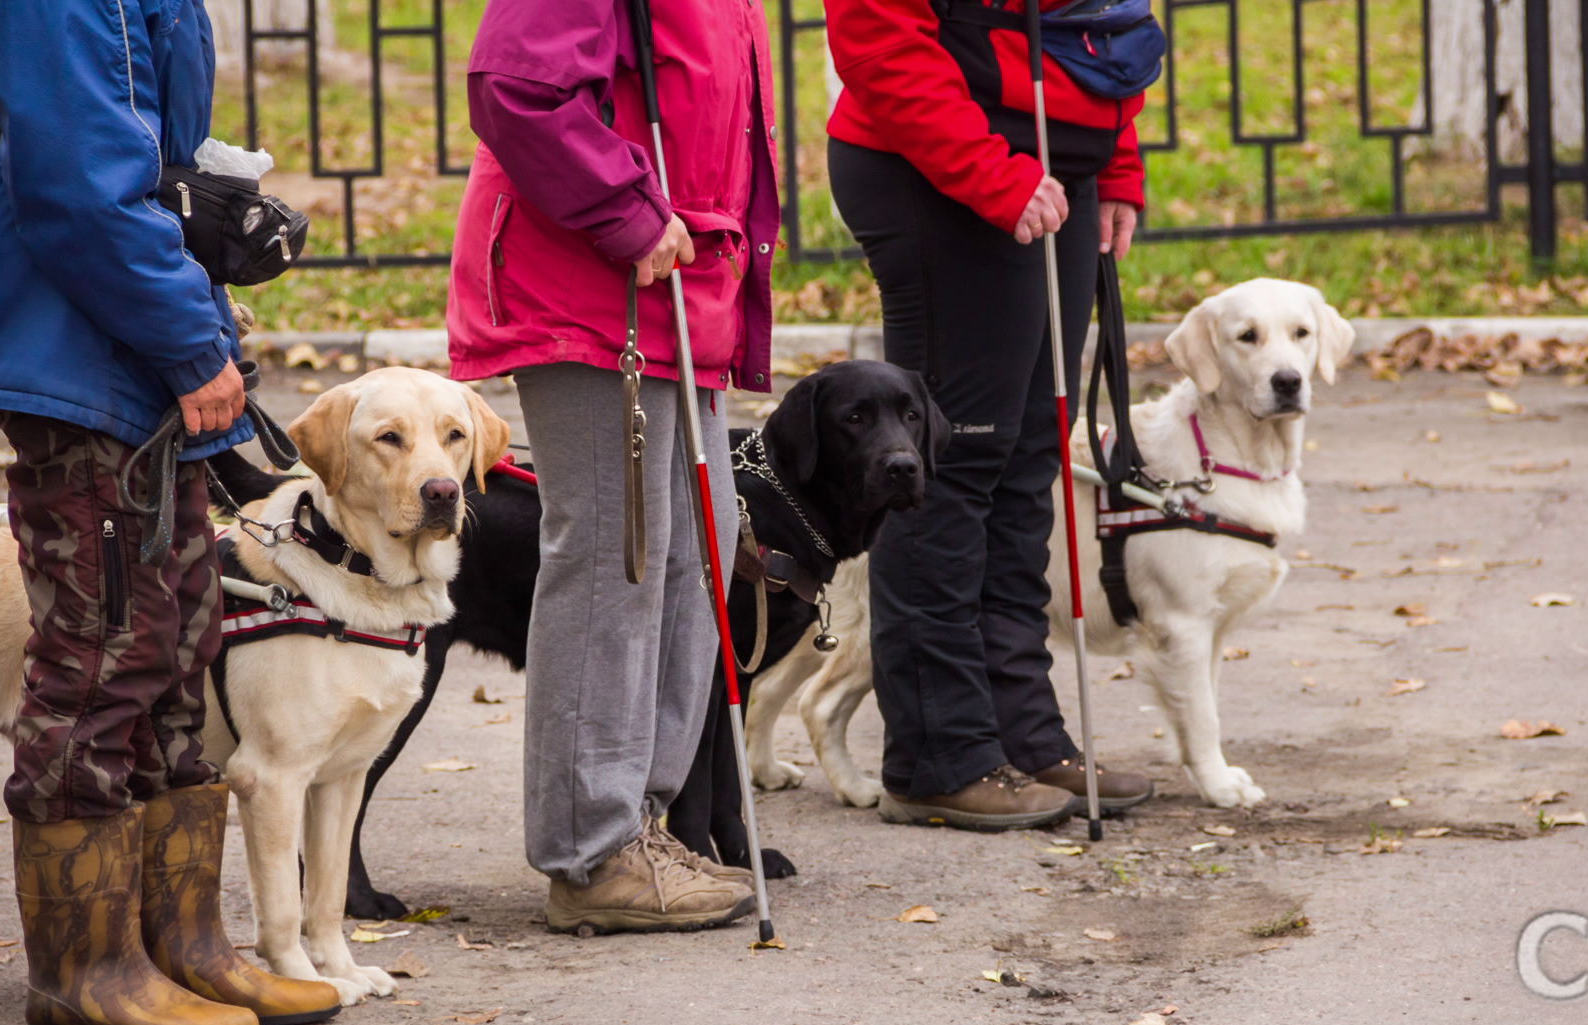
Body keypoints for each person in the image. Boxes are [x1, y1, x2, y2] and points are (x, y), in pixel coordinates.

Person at [0, 0, 341, 1025]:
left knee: (175, 633)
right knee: (105, 647)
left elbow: (132, 152)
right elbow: (78, 184)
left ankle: (180, 944)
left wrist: (201, 247)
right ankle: (85, 971)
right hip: (81, 336)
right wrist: (183, 337)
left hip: (110, 328)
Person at [448, 0, 780, 933]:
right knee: (616, 557)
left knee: (692, 551)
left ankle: (635, 825)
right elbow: (515, 88)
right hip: (592, 291)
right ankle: (591, 850)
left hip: (678, 293)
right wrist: (627, 214)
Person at [825, 0, 1157, 830]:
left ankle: (1021, 732)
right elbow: (878, 36)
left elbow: (1097, 24)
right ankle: (942, 756)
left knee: (1025, 461)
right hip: (944, 169)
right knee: (947, 468)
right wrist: (988, 173)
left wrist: (1114, 161)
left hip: (1054, 164)